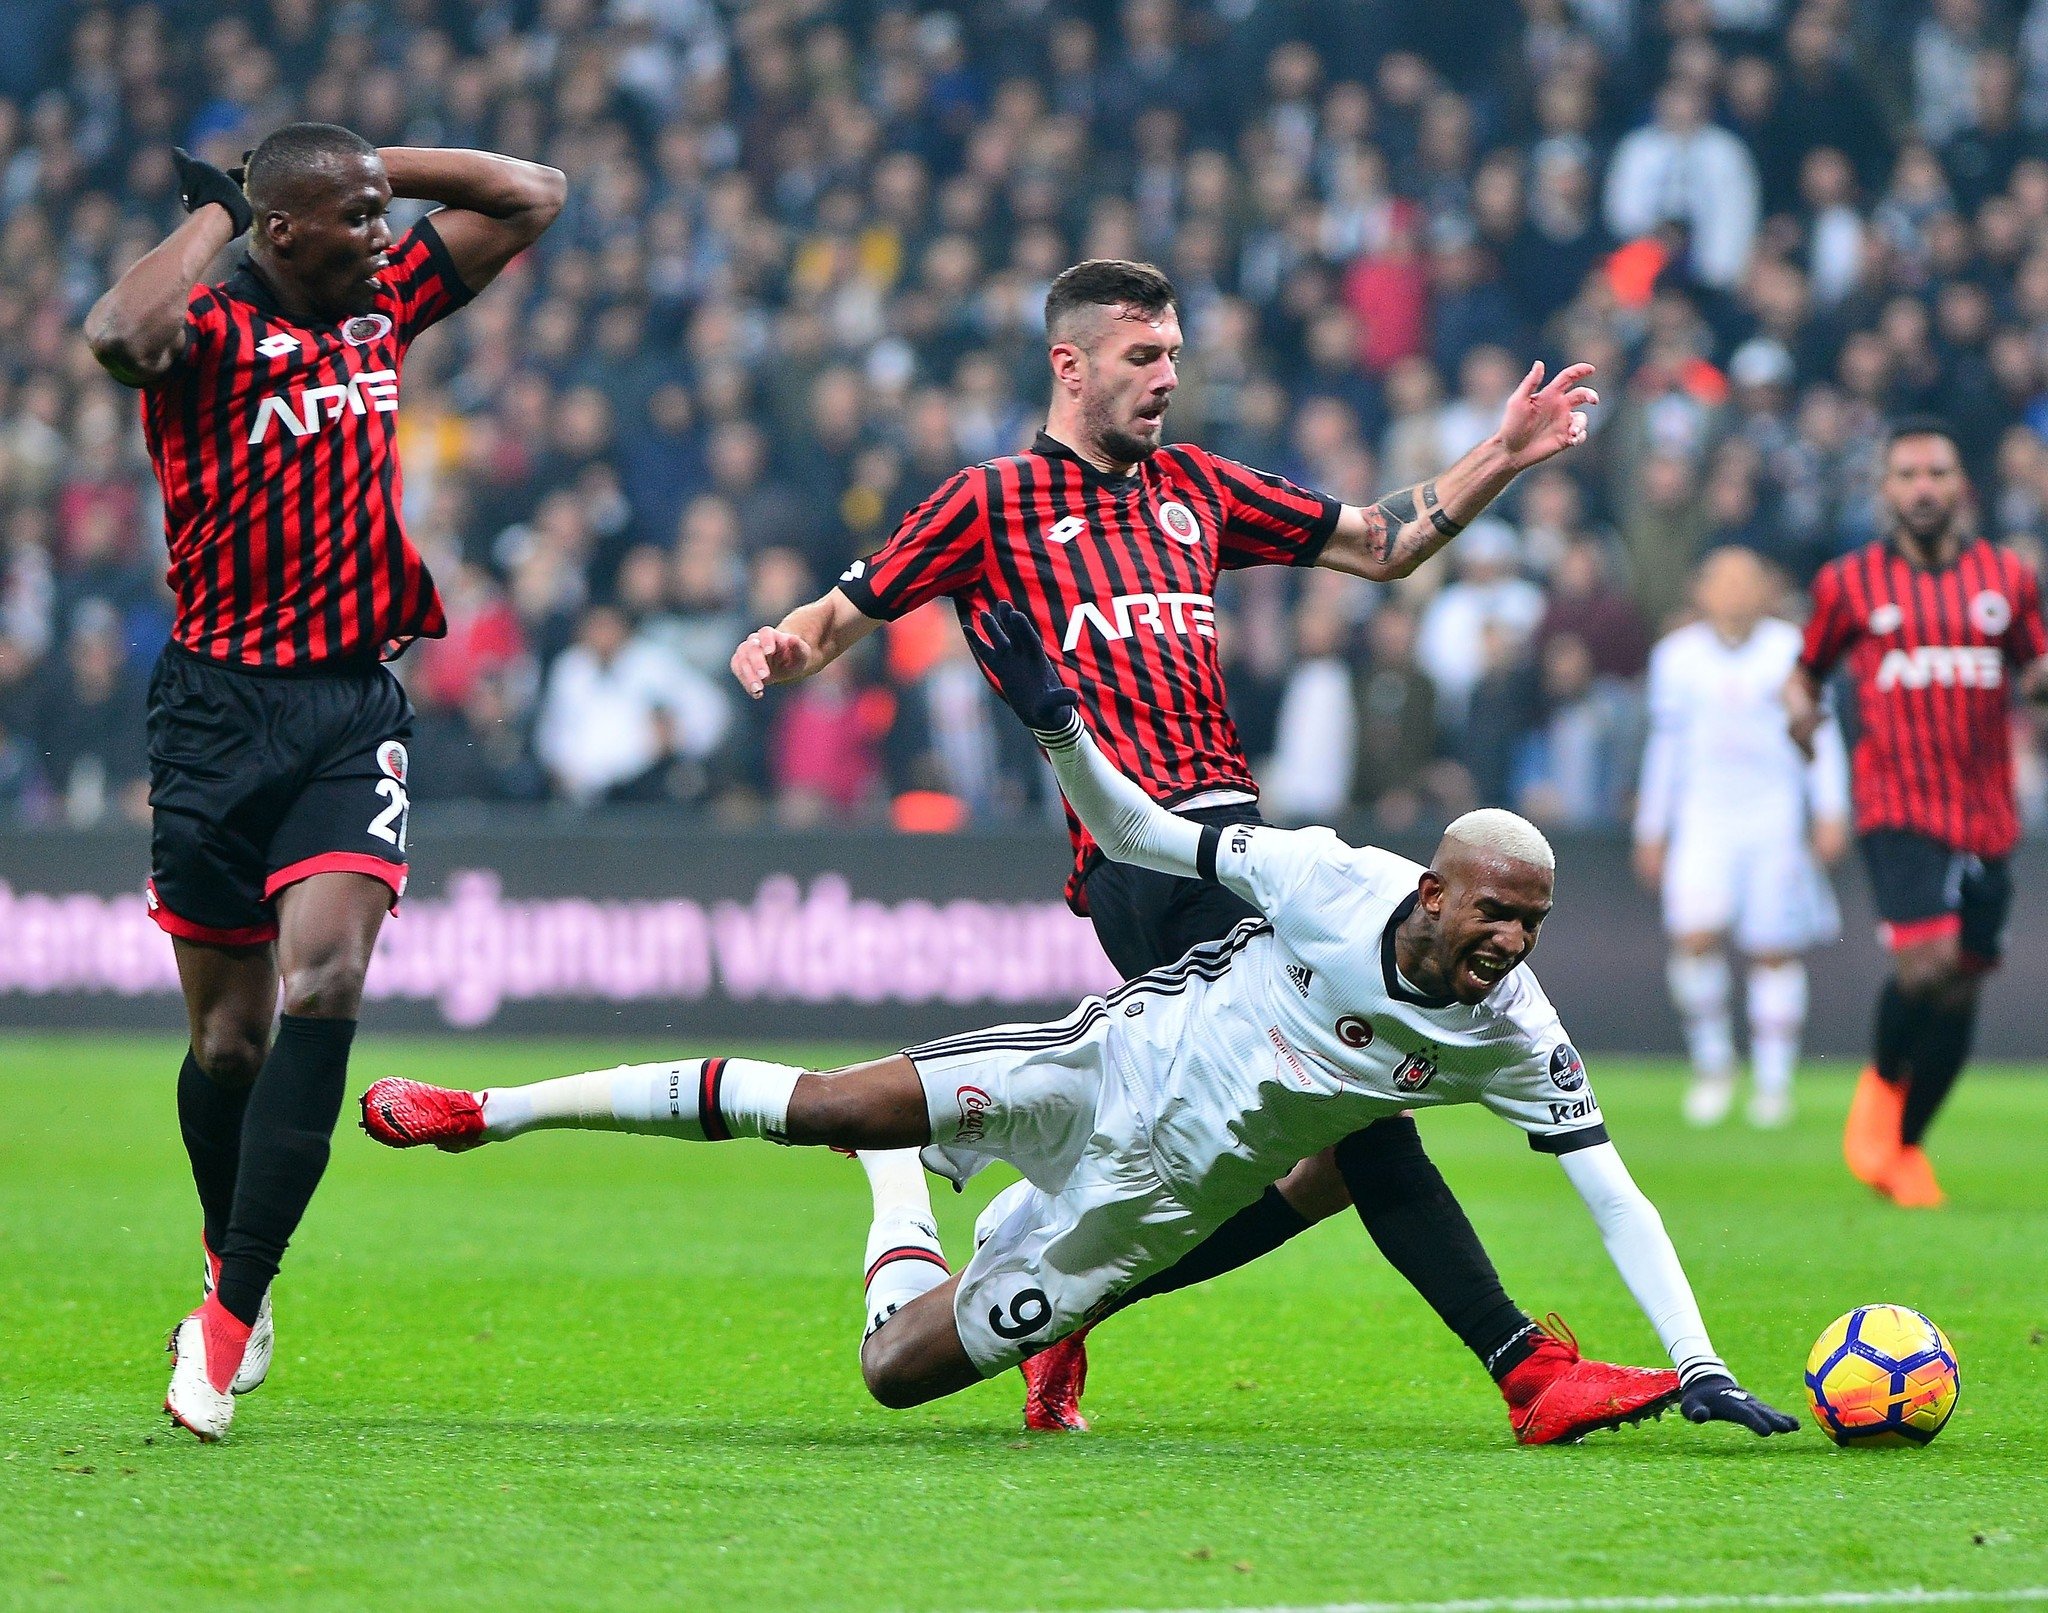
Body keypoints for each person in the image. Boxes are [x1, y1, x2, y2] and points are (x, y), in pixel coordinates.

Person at [361, 601, 1799, 1443]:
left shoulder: (1513, 1031)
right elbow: (1139, 832)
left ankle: (914, 1207)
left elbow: (1613, 1192)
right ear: (1435, 889)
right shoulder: (1321, 878)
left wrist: (1699, 1363)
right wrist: (1057, 724)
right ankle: (497, 1112)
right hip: (1097, 1072)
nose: (1511, 943)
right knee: (831, 1104)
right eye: (1495, 913)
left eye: (1531, 924)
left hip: (1145, 1216)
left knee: (893, 1375)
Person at [726, 257, 1679, 1443]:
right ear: (1070, 365)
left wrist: (1503, 450)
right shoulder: (989, 500)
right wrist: (784, 645)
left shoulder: (1197, 488)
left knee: (1319, 1160)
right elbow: (841, 615)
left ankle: (1069, 1302)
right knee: (1360, 1099)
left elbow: (1380, 543)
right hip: (1145, 859)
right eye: (1142, 355)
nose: (1167, 376)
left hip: (1235, 843)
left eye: (1174, 354)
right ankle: (1526, 1369)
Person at [83, 126, 564, 1440]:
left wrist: (363, 163)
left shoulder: (379, 301)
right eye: (352, 217)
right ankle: (223, 1250)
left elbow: (532, 194)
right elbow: (117, 335)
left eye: (380, 212)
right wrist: (219, 210)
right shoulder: (206, 333)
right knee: (228, 1044)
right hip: (215, 717)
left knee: (330, 975)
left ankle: (229, 1313)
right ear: (280, 233)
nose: (381, 233)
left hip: (351, 708)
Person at [1787, 418, 2048, 1207]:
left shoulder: (2008, 578)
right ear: (1886, 489)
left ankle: (1904, 1146)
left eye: (1937, 472)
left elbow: (2034, 667)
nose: (1924, 487)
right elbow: (1807, 671)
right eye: (1908, 474)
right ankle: (1878, 1094)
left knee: (1964, 982)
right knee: (1926, 964)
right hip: (1896, 799)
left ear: (1960, 484)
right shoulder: (1850, 582)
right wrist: (1799, 712)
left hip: (1987, 808)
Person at [1635, 548, 1850, 1129]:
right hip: (1703, 819)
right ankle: (1714, 1066)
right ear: (1700, 591)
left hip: (1773, 819)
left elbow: (1821, 736)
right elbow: (1665, 746)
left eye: (1744, 581)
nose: (1733, 592)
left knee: (1773, 949)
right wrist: (1652, 827)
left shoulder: (1793, 651)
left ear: (1765, 590)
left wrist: (1831, 810)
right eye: (1722, 581)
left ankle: (1774, 1082)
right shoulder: (1676, 657)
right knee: (1693, 937)